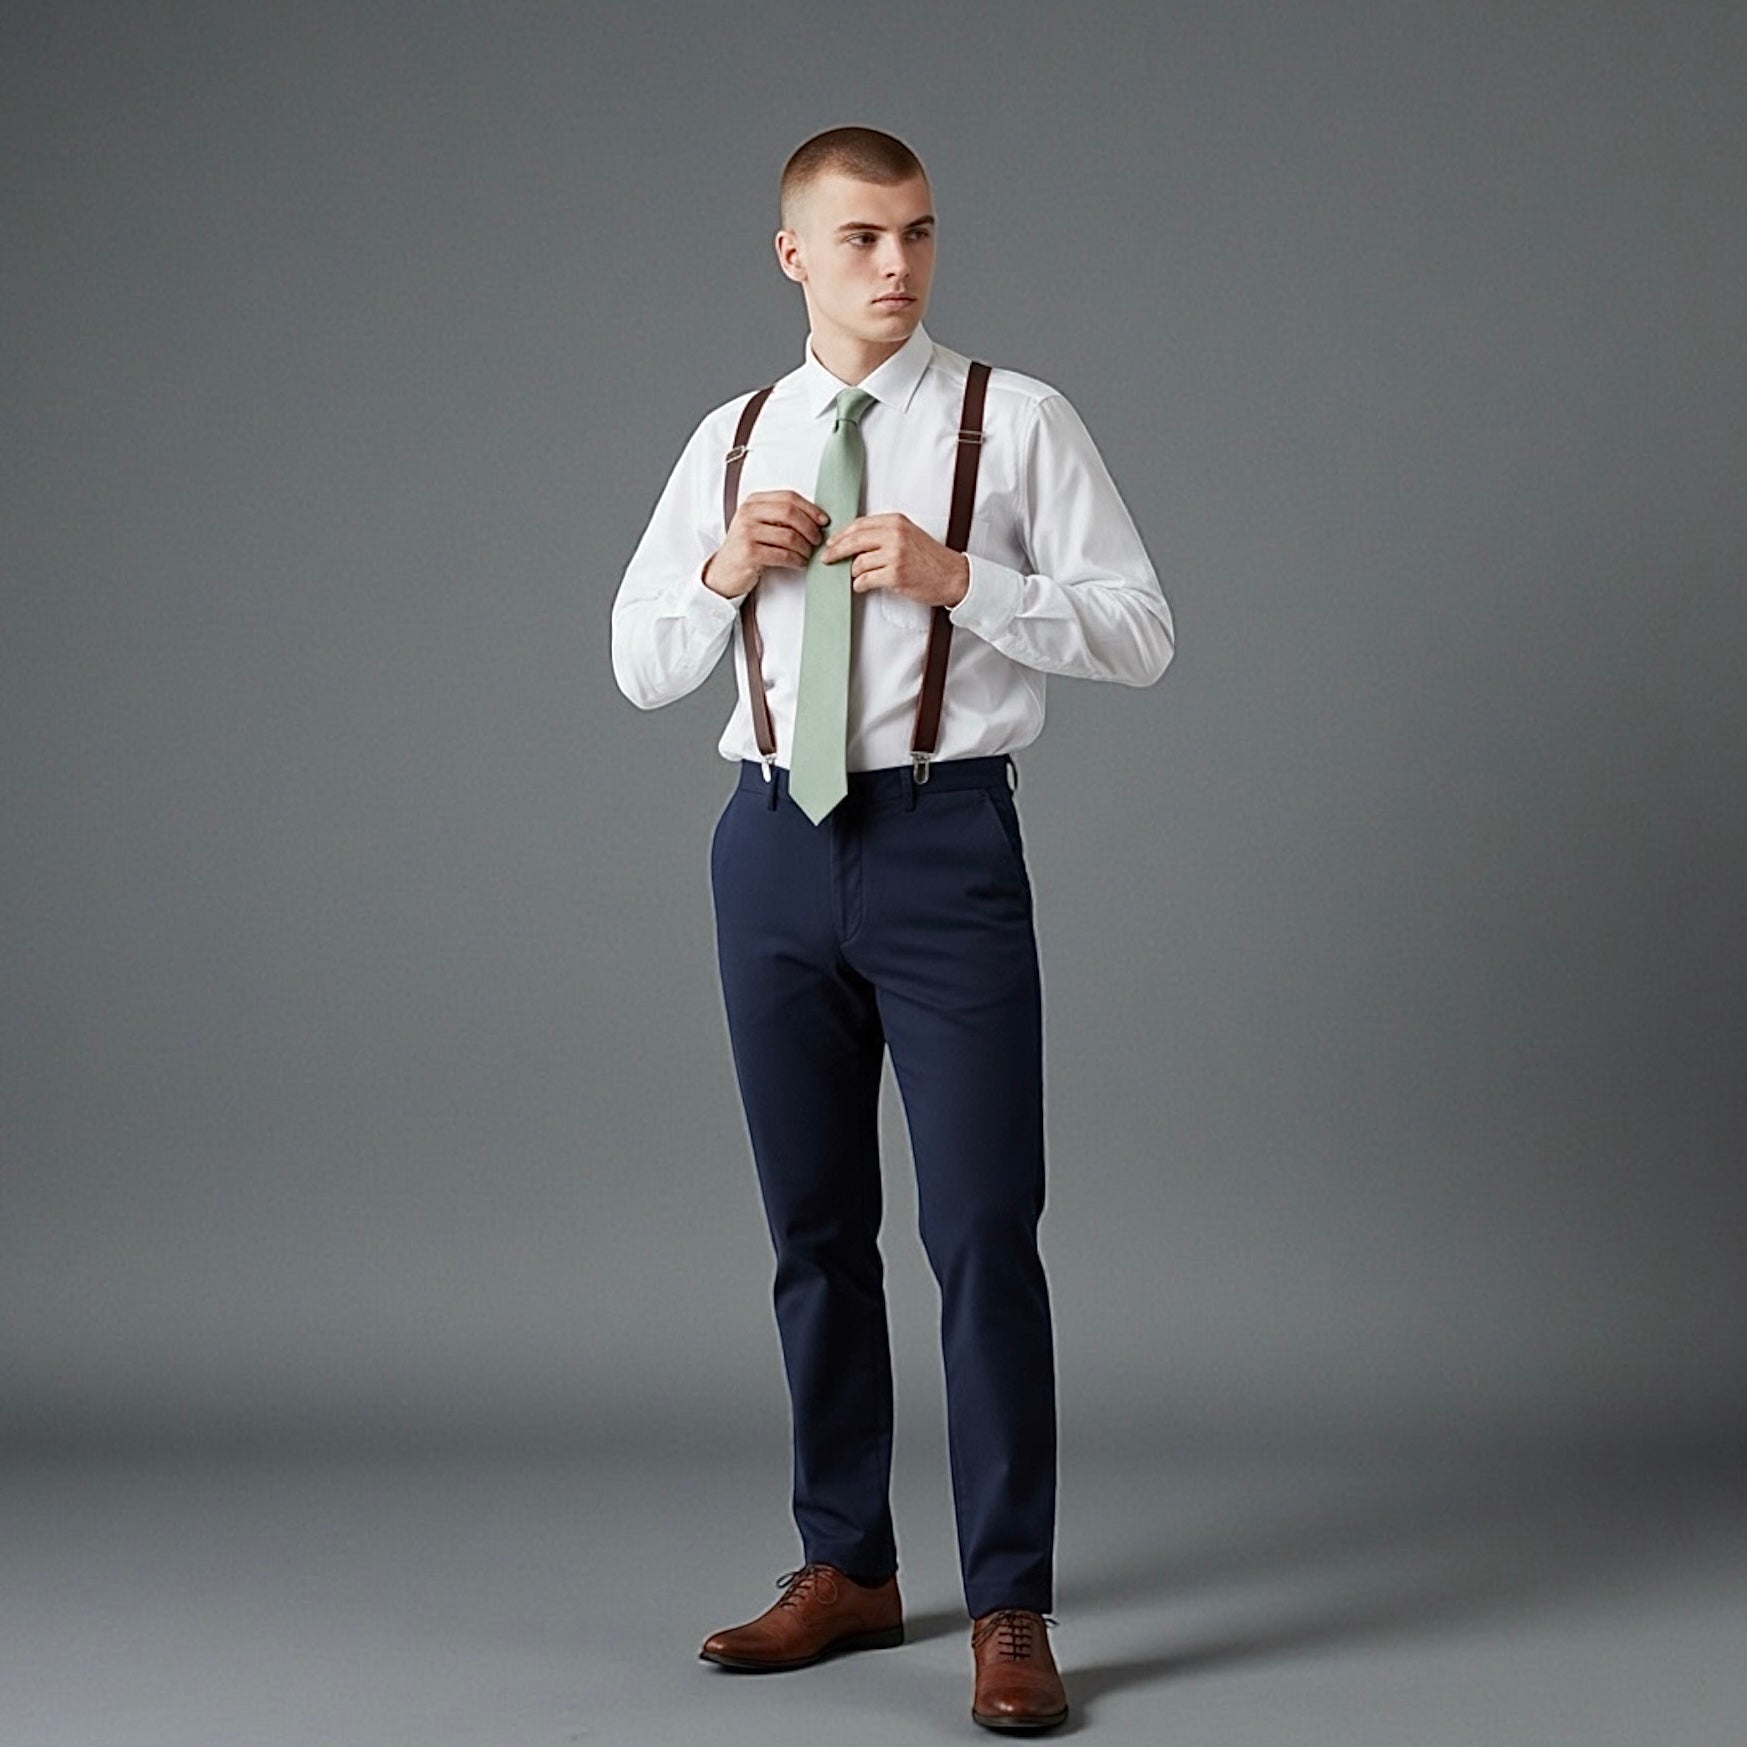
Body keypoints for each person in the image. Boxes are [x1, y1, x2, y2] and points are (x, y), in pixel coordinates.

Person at [611, 124, 1173, 1733]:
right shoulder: (730, 438)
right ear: (794, 254)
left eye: (917, 234)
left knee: (983, 1234)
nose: (898, 265)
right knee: (811, 1231)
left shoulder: (1017, 422)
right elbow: (641, 660)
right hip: (769, 851)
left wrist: (961, 580)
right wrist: (722, 571)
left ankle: (1011, 1604)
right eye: (861, 238)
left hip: (945, 844)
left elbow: (1141, 631)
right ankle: (846, 1565)